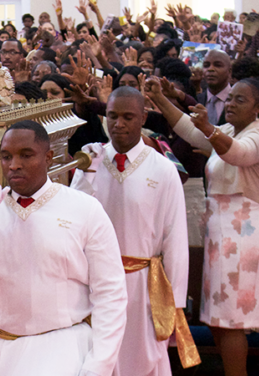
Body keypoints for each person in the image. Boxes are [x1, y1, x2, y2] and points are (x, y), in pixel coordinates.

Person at [0, 120, 127, 376]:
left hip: (64, 349)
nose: (14, 165)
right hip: (1, 351)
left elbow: (110, 293)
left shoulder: (84, 208)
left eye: (26, 155)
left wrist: (99, 365)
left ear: (48, 157)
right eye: (6, 156)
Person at [146, 76, 259, 376]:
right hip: (222, 233)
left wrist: (207, 127)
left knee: (230, 321)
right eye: (230, 98)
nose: (230, 103)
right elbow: (192, 133)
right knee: (217, 319)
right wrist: (162, 100)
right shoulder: (228, 129)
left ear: (258, 107)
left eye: (239, 100)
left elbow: (236, 153)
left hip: (244, 235)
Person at [71, 86, 198, 375]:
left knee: (140, 359)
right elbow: (73, 218)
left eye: (128, 117)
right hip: (95, 282)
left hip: (143, 284)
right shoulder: (89, 161)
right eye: (112, 116)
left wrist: (176, 302)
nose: (119, 124)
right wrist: (85, 174)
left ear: (143, 117)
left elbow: (175, 240)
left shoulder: (163, 170)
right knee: (97, 356)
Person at [198, 50, 232, 125]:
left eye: (218, 65)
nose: (210, 69)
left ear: (229, 71)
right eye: (206, 65)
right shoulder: (196, 100)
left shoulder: (239, 102)